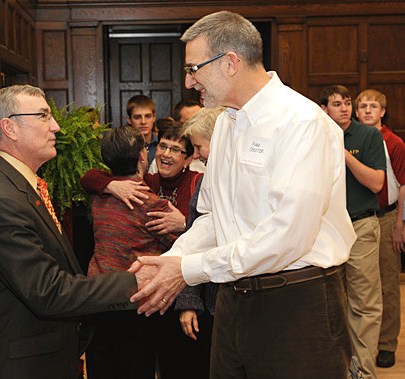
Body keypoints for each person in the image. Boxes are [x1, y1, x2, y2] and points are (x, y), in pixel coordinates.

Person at [129, 11, 356, 379]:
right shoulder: (227, 125)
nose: (188, 81)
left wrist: (189, 269)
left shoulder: (301, 122)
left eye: (194, 69)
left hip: (296, 303)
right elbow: (214, 217)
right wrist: (172, 261)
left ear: (230, 63)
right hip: (233, 300)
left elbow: (288, 238)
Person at [0, 85, 141, 379]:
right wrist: (136, 283)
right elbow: (48, 291)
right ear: (10, 128)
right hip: (22, 366)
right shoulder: (0, 199)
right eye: (43, 116)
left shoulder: (16, 185)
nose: (56, 126)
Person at [84, 126, 179, 379]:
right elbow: (181, 247)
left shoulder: (99, 196)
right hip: (135, 302)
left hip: (99, 295)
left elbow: (90, 178)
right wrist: (184, 223)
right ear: (142, 156)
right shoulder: (150, 203)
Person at [320, 85, 386, 379]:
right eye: (337, 103)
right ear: (324, 110)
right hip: (326, 229)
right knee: (332, 301)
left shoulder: (368, 135)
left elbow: (376, 183)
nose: (345, 107)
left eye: (347, 102)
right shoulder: (313, 134)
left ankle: (363, 372)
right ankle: (338, 368)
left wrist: (343, 153)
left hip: (361, 225)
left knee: (364, 303)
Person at [355, 89, 405, 368]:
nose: (368, 111)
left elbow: (404, 184)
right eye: (362, 107)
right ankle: (363, 344)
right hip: (358, 219)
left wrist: (400, 223)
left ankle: (386, 344)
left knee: (387, 285)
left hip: (386, 217)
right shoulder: (350, 138)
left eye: (373, 106)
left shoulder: (393, 142)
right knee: (362, 287)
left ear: (383, 112)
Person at [173, 106, 224, 379]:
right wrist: (188, 302)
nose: (195, 155)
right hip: (210, 303)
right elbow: (193, 240)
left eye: (198, 146)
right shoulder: (204, 182)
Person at [81, 122, 202, 232]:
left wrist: (185, 223)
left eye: (175, 150)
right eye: (163, 146)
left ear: (188, 160)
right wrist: (111, 185)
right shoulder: (146, 181)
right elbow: (88, 179)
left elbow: (211, 227)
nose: (166, 154)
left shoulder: (198, 183)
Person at [126, 94, 158, 166]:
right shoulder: (123, 148)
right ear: (129, 119)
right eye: (137, 117)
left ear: (154, 117)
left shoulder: (162, 146)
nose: (143, 122)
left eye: (147, 116)